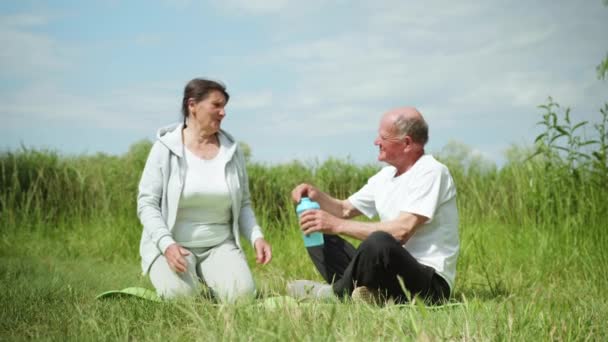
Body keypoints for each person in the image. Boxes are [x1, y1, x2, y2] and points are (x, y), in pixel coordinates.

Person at [288, 107, 458, 305]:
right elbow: (344, 209)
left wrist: (336, 225)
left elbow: (402, 231)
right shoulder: (385, 176)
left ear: (406, 143)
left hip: (429, 284)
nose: (376, 142)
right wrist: (316, 196)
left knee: (379, 242)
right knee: (317, 230)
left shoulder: (432, 172)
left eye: (383, 137)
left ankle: (334, 294)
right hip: (390, 275)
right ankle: (373, 295)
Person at [137, 78, 272, 302]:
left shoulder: (232, 151)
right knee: (179, 297)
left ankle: (212, 283)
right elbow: (147, 203)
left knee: (243, 297)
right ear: (192, 105)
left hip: (219, 245)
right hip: (173, 246)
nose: (223, 112)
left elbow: (244, 203)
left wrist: (257, 237)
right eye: (216, 105)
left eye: (224, 106)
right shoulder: (164, 148)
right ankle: (188, 283)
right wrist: (166, 244)